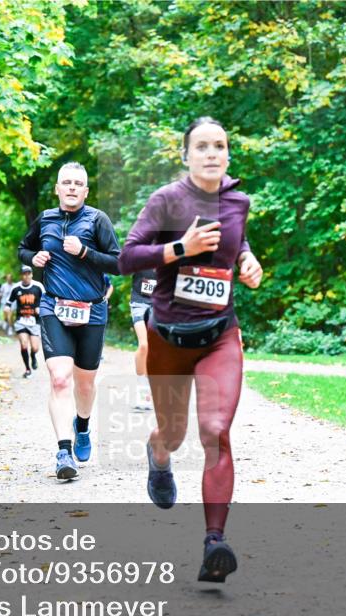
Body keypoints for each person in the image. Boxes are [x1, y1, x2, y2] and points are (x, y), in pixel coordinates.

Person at [118, 117, 263, 583]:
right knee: (175, 434)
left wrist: (246, 259)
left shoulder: (238, 201)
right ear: (186, 156)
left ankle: (214, 544)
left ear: (227, 154)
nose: (211, 154)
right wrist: (179, 248)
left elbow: (238, 242)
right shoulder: (166, 200)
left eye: (219, 146)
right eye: (201, 146)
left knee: (216, 430)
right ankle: (158, 455)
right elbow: (127, 258)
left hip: (220, 334)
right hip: (169, 339)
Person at [17, 161, 121, 480]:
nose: (73, 187)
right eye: (67, 182)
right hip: (53, 306)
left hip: (91, 309)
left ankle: (83, 426)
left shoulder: (97, 220)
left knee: (85, 382)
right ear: (58, 189)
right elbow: (24, 248)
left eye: (78, 183)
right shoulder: (45, 219)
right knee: (60, 378)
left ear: (86, 191)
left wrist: (84, 253)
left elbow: (118, 263)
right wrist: (31, 258)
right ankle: (64, 451)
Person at [8, 266, 45, 378]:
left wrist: (40, 307)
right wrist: (7, 311)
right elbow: (8, 302)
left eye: (29, 273)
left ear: (32, 275)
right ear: (21, 275)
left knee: (35, 348)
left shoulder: (38, 286)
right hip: (21, 321)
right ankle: (27, 369)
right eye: (24, 274)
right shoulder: (16, 288)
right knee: (24, 344)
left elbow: (46, 300)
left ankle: (33, 356)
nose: (27, 276)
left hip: (35, 321)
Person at [129, 268, 156, 410]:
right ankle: (142, 389)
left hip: (160, 305)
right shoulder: (139, 247)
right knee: (144, 345)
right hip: (139, 302)